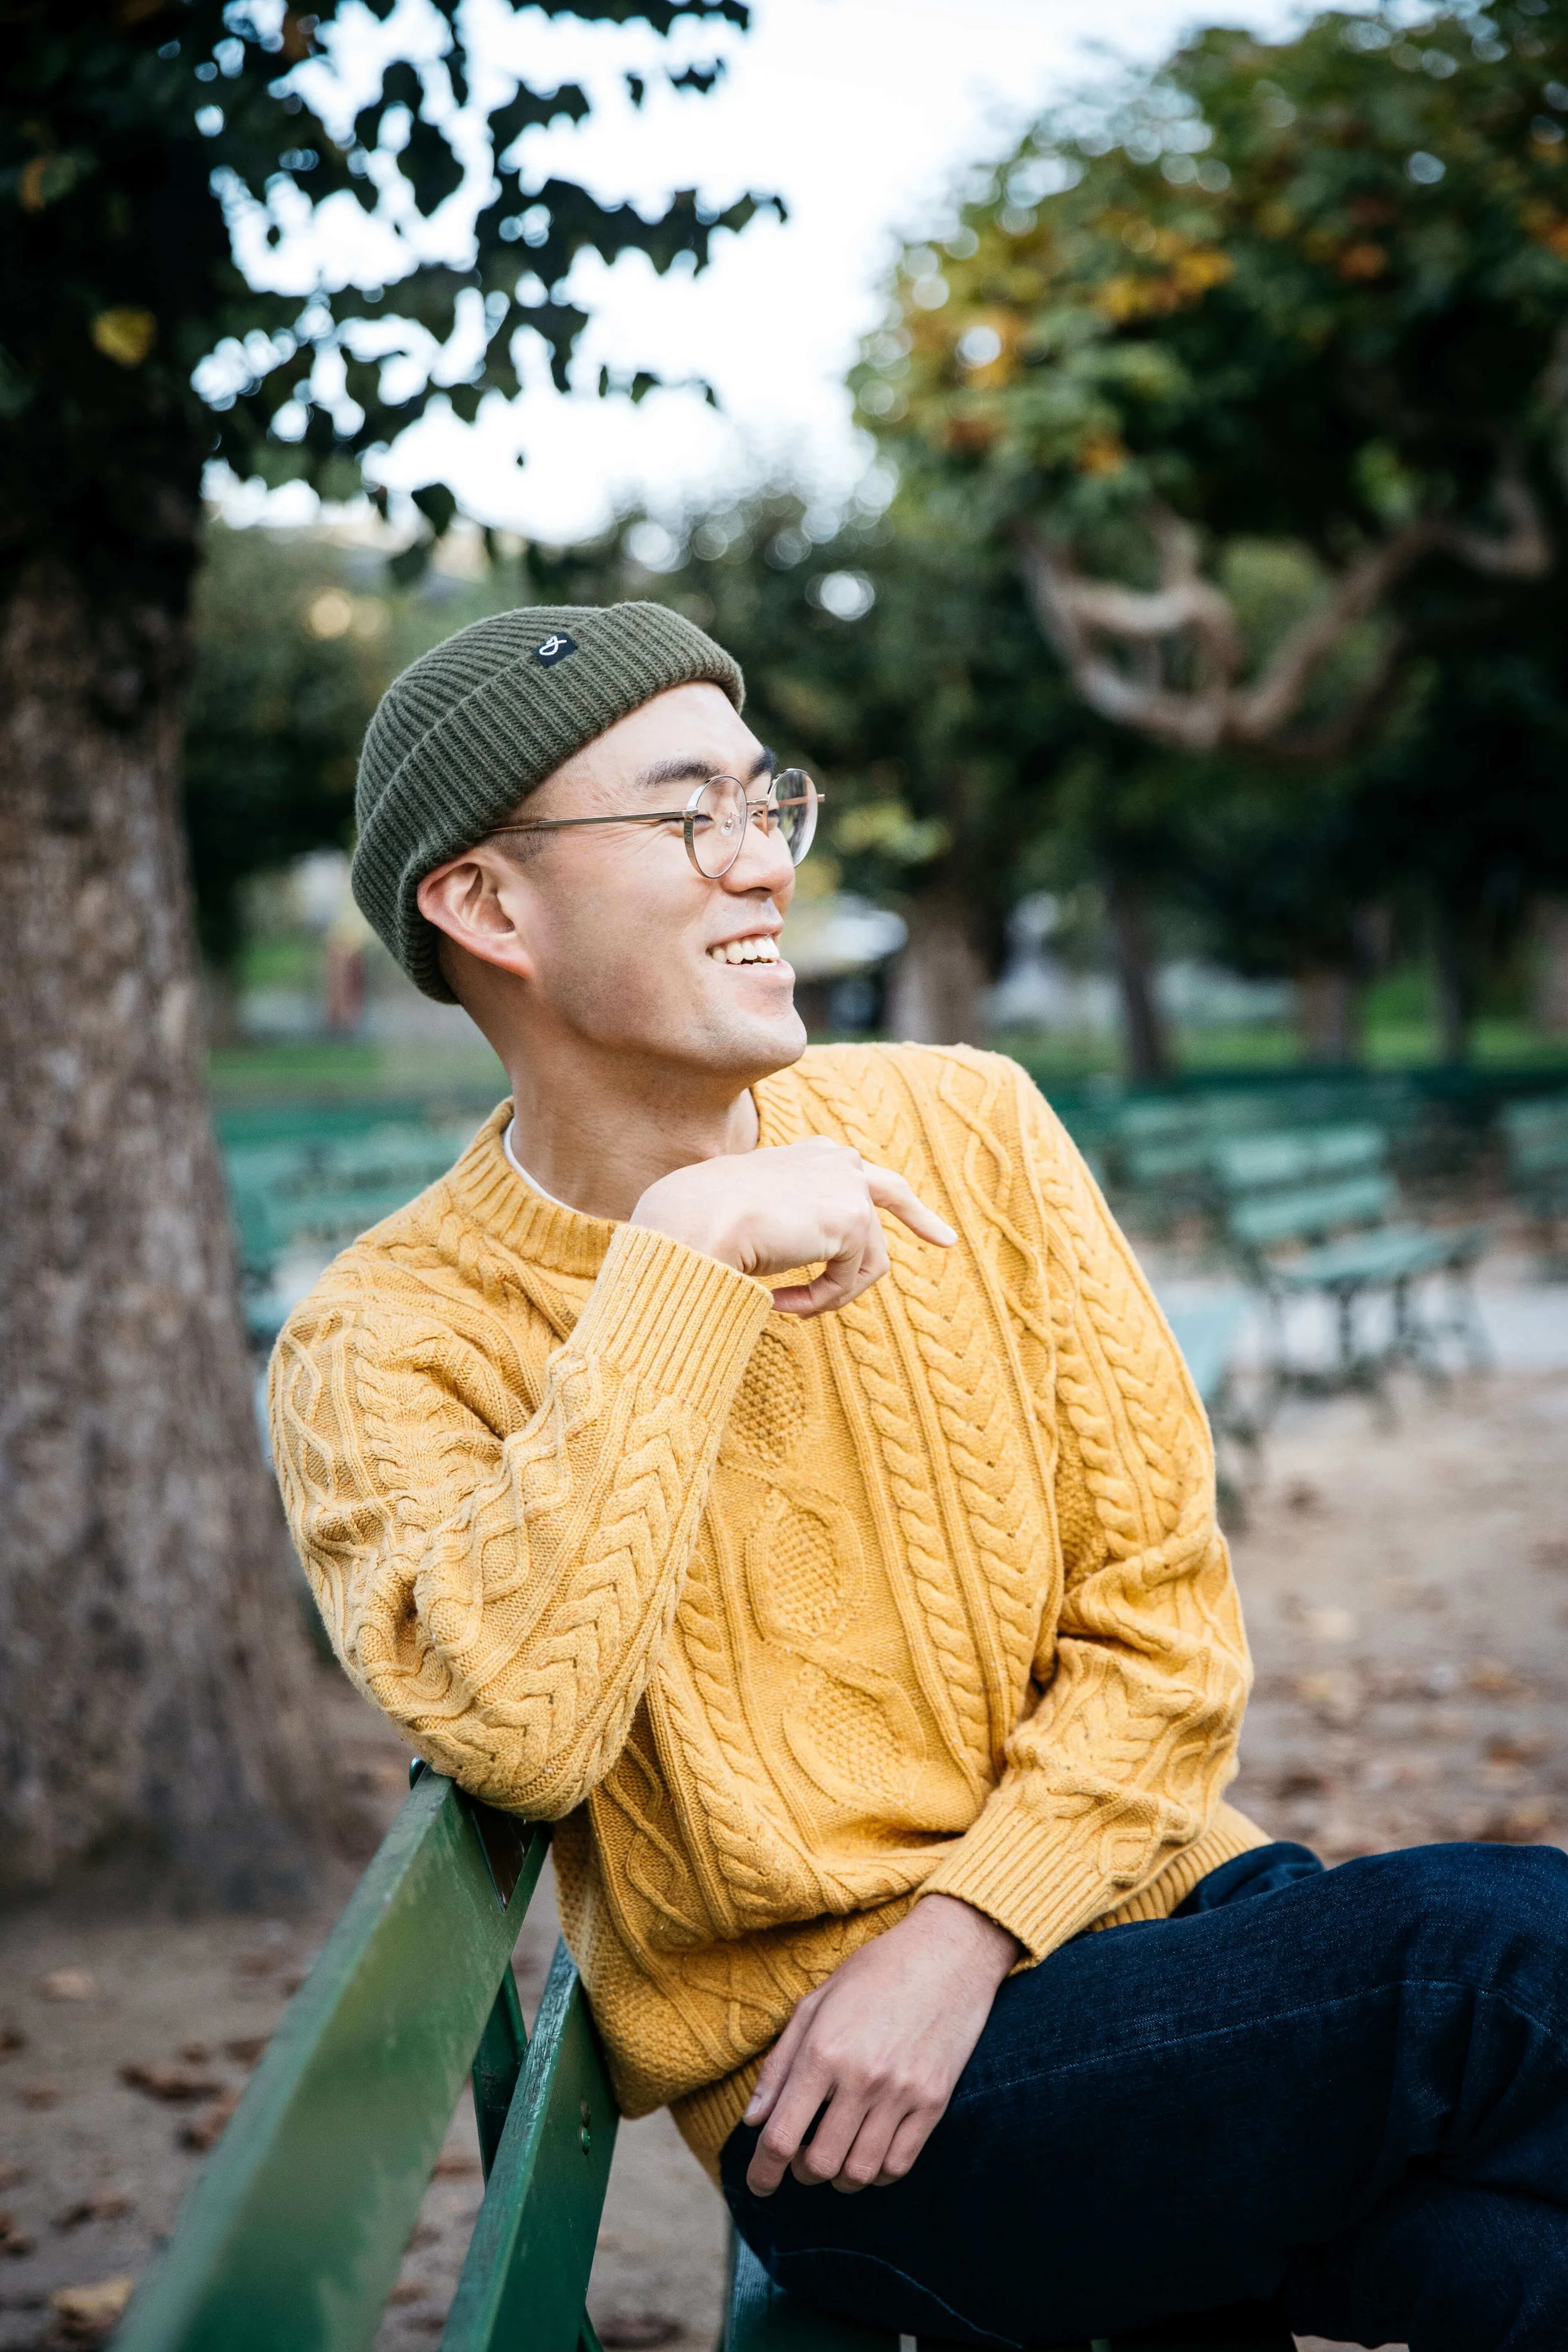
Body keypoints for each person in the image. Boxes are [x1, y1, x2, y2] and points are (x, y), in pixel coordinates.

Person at [270, 602, 1568, 2352]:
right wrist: (677, 1266)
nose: (760, 869)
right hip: (866, 2122)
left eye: (765, 805)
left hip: (1170, 1943)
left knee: (1510, 2269)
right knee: (1475, 1955)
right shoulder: (383, 1342)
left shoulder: (969, 1122)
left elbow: (1164, 1632)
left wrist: (962, 1925)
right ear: (486, 905)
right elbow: (517, 1719)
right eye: (685, 819)